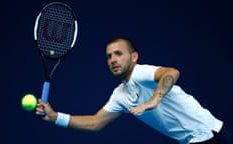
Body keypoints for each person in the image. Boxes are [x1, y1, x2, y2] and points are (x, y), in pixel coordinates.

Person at [36, 37, 232, 144]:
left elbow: (171, 72)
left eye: (118, 54)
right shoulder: (120, 95)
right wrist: (56, 117)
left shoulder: (140, 72)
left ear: (134, 57)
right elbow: (95, 123)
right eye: (109, 56)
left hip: (211, 135)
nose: (112, 59)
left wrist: (154, 100)